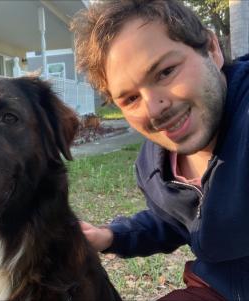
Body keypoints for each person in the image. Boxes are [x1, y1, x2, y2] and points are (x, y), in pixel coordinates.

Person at [70, 1, 249, 300]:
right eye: (129, 98)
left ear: (212, 49)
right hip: (218, 287)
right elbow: (174, 221)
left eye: (165, 72)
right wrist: (110, 236)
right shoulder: (154, 166)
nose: (154, 109)